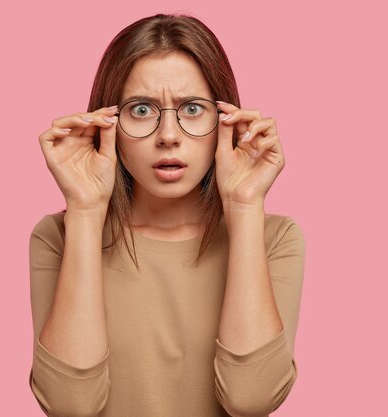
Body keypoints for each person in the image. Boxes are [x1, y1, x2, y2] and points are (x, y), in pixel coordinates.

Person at [28, 13, 305, 417]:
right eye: (141, 110)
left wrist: (244, 207)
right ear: (108, 121)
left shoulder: (276, 237)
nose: (169, 136)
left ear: (225, 120)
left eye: (192, 108)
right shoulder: (58, 236)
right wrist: (86, 212)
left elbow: (251, 399)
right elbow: (71, 406)